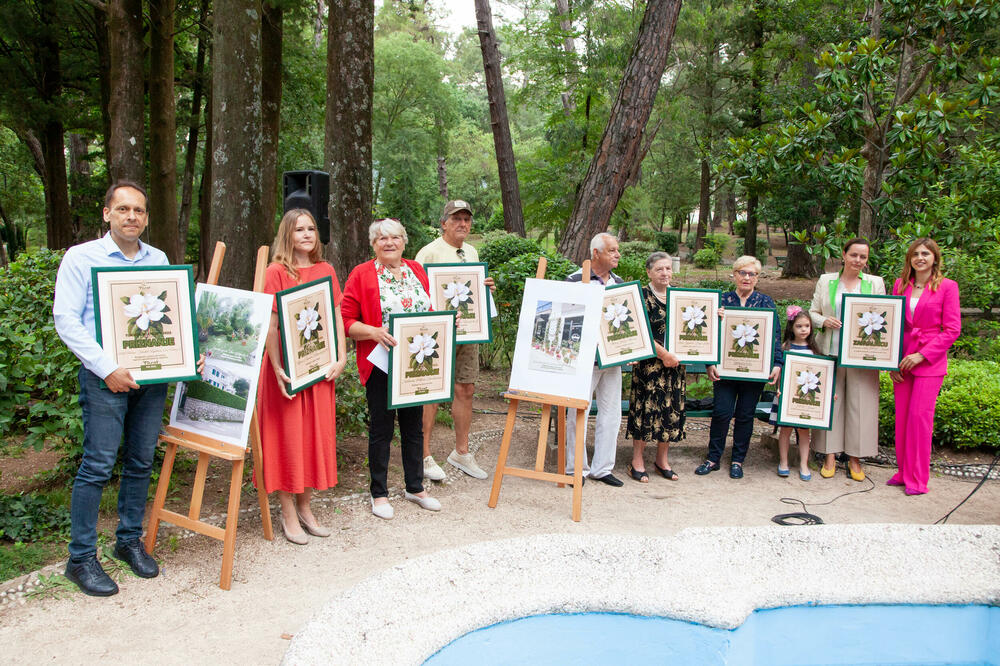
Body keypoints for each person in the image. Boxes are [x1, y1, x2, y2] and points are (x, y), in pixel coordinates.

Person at [53, 181, 197, 596]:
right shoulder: (82, 258)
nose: (131, 216)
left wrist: (186, 355)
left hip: (150, 381)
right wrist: (107, 368)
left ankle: (127, 541)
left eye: (138, 210)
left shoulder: (159, 259)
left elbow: (170, 318)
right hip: (105, 381)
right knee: (97, 465)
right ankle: (80, 559)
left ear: (146, 217)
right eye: (123, 209)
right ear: (107, 214)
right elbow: (67, 321)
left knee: (139, 461)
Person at [258, 209, 348, 544]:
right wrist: (277, 367)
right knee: (288, 437)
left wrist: (341, 355)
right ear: (287, 234)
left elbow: (336, 314)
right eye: (299, 229)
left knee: (312, 437)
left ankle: (306, 507)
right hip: (286, 372)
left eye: (312, 228)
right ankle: (287, 511)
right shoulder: (276, 272)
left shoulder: (326, 270)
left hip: (320, 369)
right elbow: (270, 326)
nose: (308, 234)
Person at [341, 219, 441, 519]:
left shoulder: (417, 270)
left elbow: (430, 311)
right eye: (382, 238)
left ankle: (414, 487)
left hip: (415, 362)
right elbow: (346, 322)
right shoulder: (362, 274)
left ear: (404, 241)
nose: (389, 243)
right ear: (373, 244)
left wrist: (449, 322)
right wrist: (373, 332)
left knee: (414, 426)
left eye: (395, 237)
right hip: (380, 363)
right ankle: (379, 493)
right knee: (382, 429)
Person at [414, 200, 495, 482]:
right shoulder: (429, 253)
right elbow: (418, 292)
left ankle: (461, 452)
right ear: (444, 223)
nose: (462, 223)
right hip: (437, 333)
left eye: (467, 219)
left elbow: (474, 288)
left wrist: (485, 286)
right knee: (432, 392)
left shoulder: (471, 251)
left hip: (468, 332)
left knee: (466, 388)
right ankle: (423, 456)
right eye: (456, 218)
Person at [696, 256, 782, 479]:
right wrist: (710, 363)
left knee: (745, 415)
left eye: (751, 274)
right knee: (722, 412)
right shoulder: (722, 302)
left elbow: (775, 336)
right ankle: (713, 458)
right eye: (742, 273)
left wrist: (777, 364)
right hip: (725, 371)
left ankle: (737, 460)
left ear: (757, 277)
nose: (746, 277)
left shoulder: (766, 303)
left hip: (754, 372)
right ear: (733, 274)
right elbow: (709, 336)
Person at [809, 238, 886, 481]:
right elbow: (812, 312)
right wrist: (823, 321)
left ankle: (855, 458)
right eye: (854, 255)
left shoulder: (875, 283)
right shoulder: (826, 280)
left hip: (862, 354)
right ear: (844, 255)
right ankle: (829, 455)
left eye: (863, 257)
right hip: (830, 349)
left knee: (860, 404)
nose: (858, 261)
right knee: (833, 402)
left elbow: (883, 316)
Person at [889, 238, 961, 495]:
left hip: (929, 361)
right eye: (915, 254)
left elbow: (952, 329)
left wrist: (923, 355)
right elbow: (893, 324)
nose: (920, 257)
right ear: (909, 259)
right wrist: (891, 361)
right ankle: (903, 472)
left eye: (925, 254)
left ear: (934, 258)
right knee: (903, 418)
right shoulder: (900, 285)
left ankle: (918, 480)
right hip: (902, 358)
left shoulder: (948, 287)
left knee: (920, 419)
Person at [564, 232, 625, 486]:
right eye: (612, 250)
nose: (617, 255)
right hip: (584, 360)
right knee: (577, 413)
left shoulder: (619, 282)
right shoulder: (575, 280)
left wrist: (628, 349)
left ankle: (602, 468)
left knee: (611, 413)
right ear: (596, 253)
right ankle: (575, 469)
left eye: (617, 250)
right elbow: (566, 319)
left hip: (612, 360)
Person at [625, 252, 685, 482]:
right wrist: (664, 354)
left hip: (675, 366)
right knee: (645, 411)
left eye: (668, 268)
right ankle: (637, 460)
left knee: (670, 413)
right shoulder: (641, 296)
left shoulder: (680, 296)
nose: (665, 273)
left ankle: (662, 459)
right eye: (660, 269)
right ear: (649, 271)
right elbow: (639, 330)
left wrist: (713, 317)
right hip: (649, 366)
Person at [772, 306, 823, 481]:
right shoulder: (786, 347)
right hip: (786, 396)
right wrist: (778, 389)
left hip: (805, 400)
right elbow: (781, 372)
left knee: (803, 432)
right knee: (785, 430)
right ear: (791, 328)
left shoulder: (814, 350)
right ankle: (784, 462)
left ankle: (803, 464)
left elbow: (821, 377)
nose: (803, 330)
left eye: (807, 326)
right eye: (799, 326)